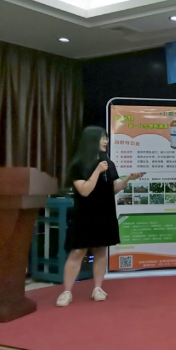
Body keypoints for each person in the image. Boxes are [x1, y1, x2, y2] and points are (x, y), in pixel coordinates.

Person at [56, 127, 142, 307]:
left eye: (106, 138)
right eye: (102, 138)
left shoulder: (108, 163)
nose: (106, 141)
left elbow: (113, 189)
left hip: (105, 213)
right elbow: (84, 191)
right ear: (91, 140)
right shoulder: (78, 164)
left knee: (101, 250)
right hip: (85, 214)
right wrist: (96, 171)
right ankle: (67, 292)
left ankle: (97, 288)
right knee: (77, 252)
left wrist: (128, 179)